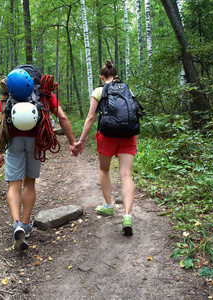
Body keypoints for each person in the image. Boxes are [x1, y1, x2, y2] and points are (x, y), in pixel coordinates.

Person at [0, 66, 77, 250]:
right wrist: (72, 142)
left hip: (14, 141)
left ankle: (16, 225)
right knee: (29, 183)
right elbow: (61, 116)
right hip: (36, 140)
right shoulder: (43, 93)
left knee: (14, 184)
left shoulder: (8, 94)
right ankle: (25, 225)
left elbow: (1, 123)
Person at [72, 60, 137, 235]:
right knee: (126, 174)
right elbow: (134, 113)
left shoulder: (99, 91)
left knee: (104, 169)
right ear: (116, 76)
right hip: (128, 135)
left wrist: (81, 140)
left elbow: (91, 117)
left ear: (102, 77)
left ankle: (108, 206)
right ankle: (127, 215)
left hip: (107, 135)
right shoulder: (127, 89)